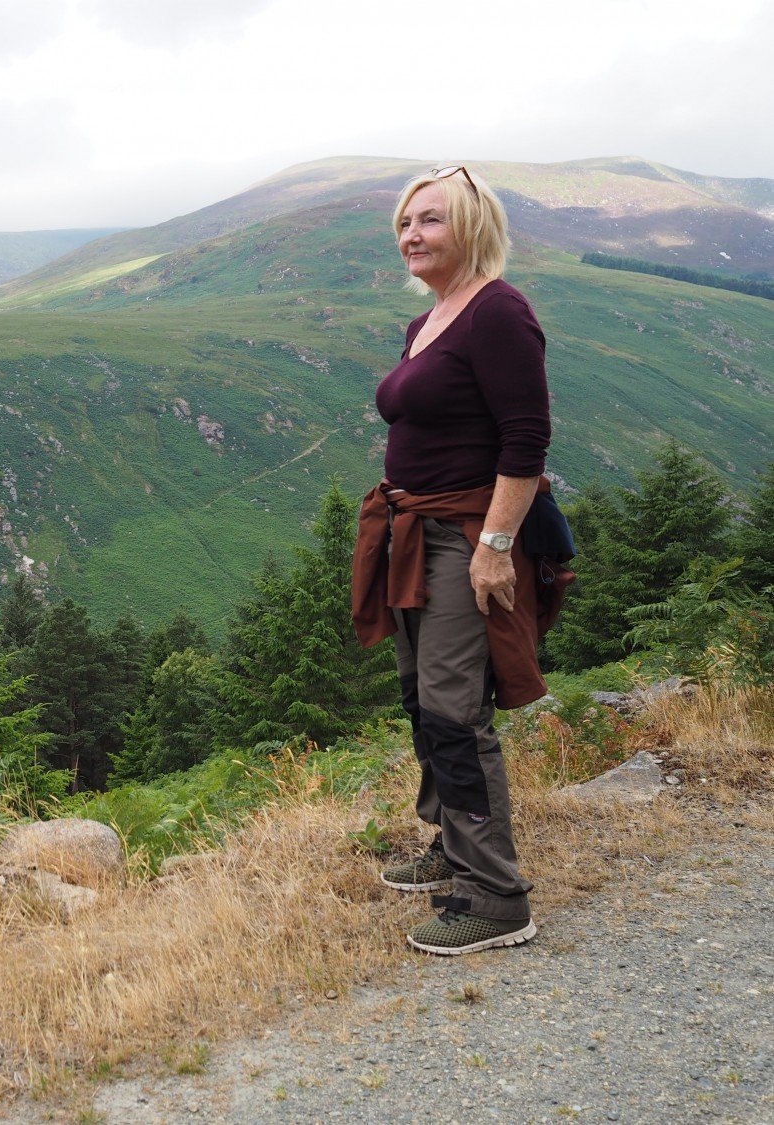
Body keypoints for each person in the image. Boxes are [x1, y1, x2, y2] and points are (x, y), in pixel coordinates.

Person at [350, 164, 571, 956]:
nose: (411, 235)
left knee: (452, 709)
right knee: (423, 696)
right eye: (405, 223)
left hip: (464, 536)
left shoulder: (498, 311)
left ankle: (495, 896)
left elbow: (526, 438)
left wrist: (495, 547)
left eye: (430, 220)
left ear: (472, 226)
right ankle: (451, 843)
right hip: (414, 534)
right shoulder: (430, 319)